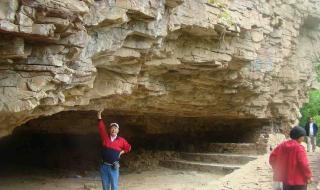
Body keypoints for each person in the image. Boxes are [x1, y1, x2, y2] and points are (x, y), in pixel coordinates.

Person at [97, 110, 131, 190]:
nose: (113, 130)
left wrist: (121, 152)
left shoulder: (121, 140)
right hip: (104, 166)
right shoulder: (105, 138)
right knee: (105, 186)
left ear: (118, 131)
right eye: (112, 128)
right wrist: (99, 117)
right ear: (109, 130)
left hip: (114, 167)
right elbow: (101, 128)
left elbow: (128, 147)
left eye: (115, 128)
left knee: (114, 186)